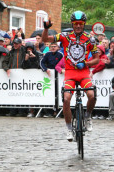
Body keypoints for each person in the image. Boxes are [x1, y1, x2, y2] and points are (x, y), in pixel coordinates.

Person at [42, 10, 99, 141]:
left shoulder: (90, 39)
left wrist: (86, 63)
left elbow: (97, 59)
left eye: (80, 23)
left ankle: (88, 116)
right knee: (66, 99)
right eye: (75, 23)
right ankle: (69, 129)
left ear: (84, 24)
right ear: (72, 24)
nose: (78, 26)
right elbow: (45, 39)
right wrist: (46, 28)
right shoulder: (65, 36)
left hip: (84, 73)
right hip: (70, 74)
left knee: (92, 95)